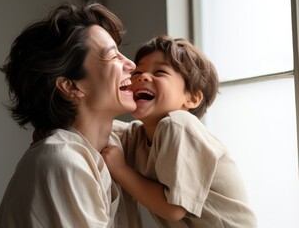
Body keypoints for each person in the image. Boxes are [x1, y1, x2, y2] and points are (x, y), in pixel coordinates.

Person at [0, 1, 143, 228]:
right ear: (71, 86)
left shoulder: (108, 148)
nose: (131, 64)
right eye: (113, 57)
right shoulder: (62, 160)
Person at [101, 36, 257, 227]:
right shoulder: (139, 136)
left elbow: (174, 209)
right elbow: (100, 128)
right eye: (138, 71)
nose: (142, 76)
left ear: (191, 98)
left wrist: (121, 170)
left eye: (159, 72)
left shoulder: (178, 125)